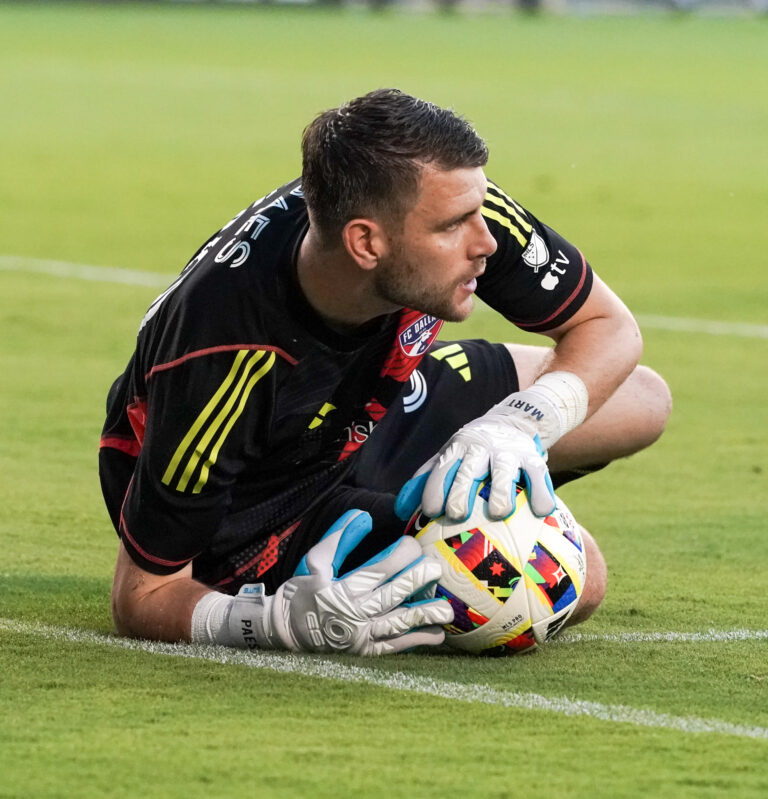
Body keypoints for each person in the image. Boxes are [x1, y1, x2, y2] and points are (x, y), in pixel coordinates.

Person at [99, 89, 671, 656]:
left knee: (640, 400)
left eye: (480, 209)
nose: (487, 241)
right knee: (572, 579)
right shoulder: (223, 362)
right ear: (365, 243)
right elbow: (144, 594)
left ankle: (464, 488)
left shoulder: (435, 198)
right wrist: (264, 623)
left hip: (367, 406)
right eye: (454, 226)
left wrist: (521, 424)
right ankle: (414, 529)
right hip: (263, 503)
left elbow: (608, 327)